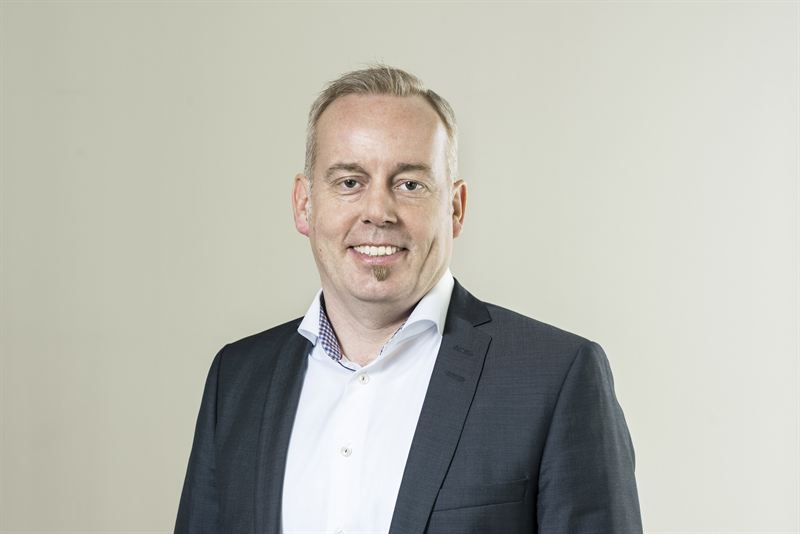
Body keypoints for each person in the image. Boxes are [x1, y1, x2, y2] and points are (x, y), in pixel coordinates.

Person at [175, 65, 643, 534]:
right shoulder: (237, 380)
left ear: (455, 208)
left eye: (410, 185)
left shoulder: (554, 378)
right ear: (304, 204)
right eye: (349, 182)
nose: (378, 211)